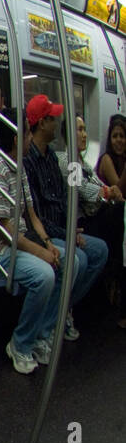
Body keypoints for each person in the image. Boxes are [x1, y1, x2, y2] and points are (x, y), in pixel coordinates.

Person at [0, 110, 64, 374]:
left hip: (20, 242)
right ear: (17, 138)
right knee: (45, 276)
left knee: (64, 263)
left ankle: (40, 333)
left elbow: (32, 215)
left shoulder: (20, 167)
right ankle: (20, 343)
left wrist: (48, 244)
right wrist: (41, 253)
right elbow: (7, 232)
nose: (31, 137)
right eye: (27, 132)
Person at [21, 94, 107, 341]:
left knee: (100, 250)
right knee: (76, 259)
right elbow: (35, 215)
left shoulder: (53, 159)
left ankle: (63, 307)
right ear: (41, 123)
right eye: (53, 119)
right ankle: (50, 325)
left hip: (62, 229)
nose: (58, 124)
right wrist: (67, 234)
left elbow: (63, 200)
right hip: (43, 234)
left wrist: (72, 229)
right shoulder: (39, 161)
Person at [93, 113, 126, 317]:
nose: (119, 141)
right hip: (108, 217)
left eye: (123, 136)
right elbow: (118, 191)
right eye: (115, 136)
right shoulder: (106, 159)